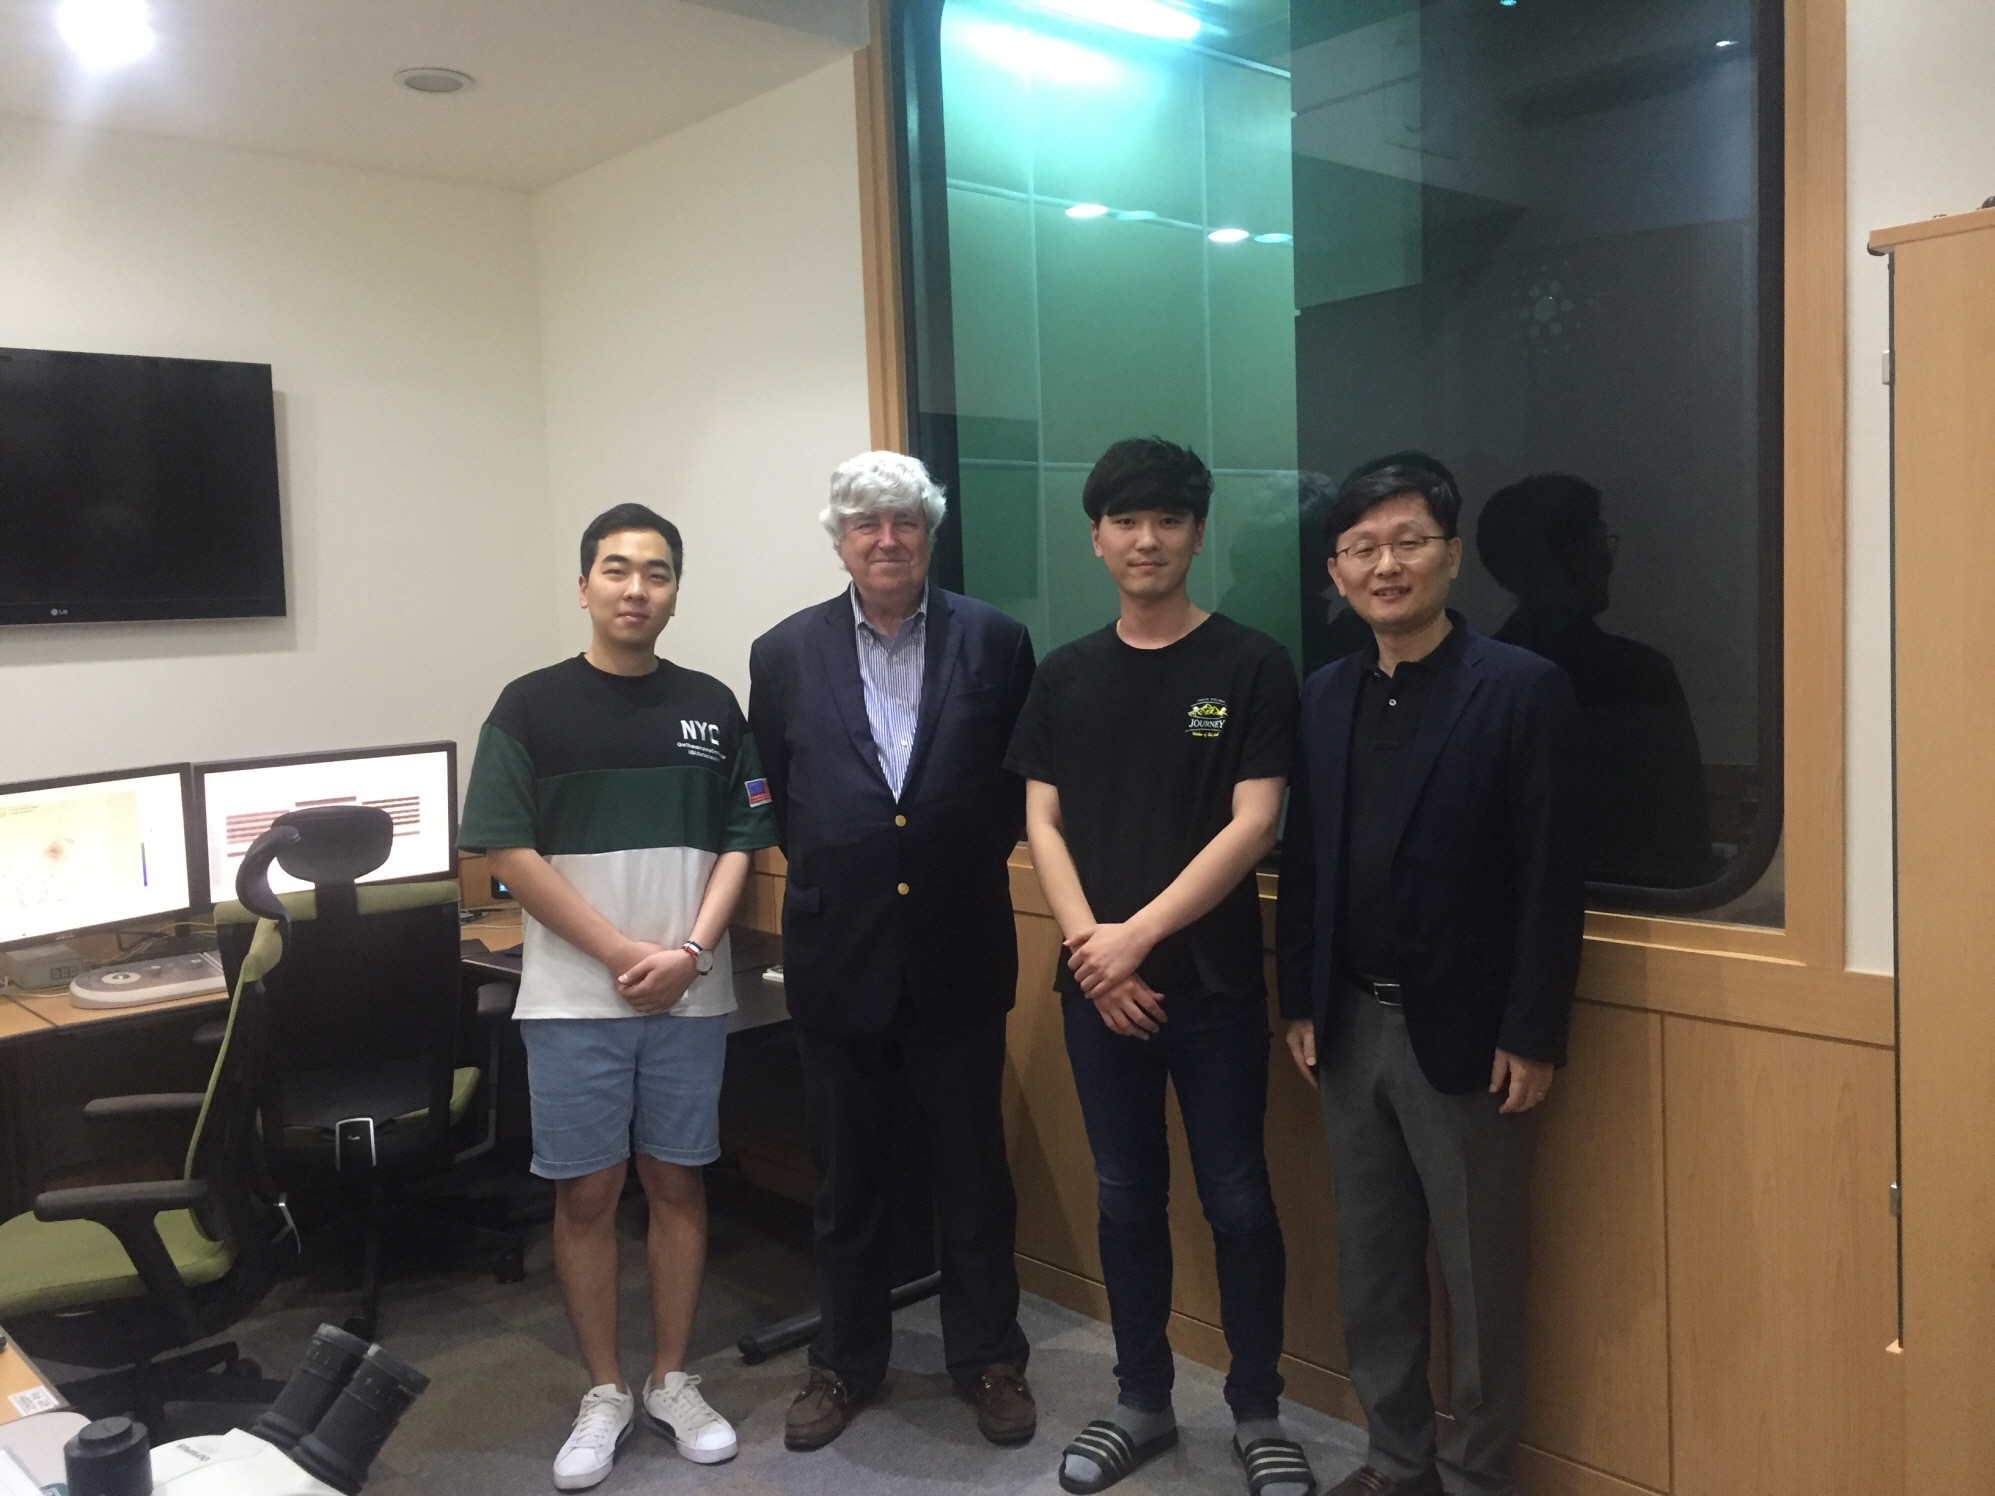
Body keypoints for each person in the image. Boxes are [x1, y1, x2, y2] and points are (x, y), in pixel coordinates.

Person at [1006, 438, 1313, 1496]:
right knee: (1125, 1194)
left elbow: (1255, 822)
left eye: (1168, 519)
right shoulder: (1064, 673)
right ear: (1096, 539)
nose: (1148, 539)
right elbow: (1040, 820)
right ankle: (1140, 1398)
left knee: (1238, 1198)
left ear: (1196, 532)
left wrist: (1133, 937)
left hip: (1213, 987)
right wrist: (1097, 953)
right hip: (1099, 994)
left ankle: (1259, 1408)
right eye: (1127, 521)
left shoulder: (1250, 665)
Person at [1275, 461, 1583, 1496]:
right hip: (1347, 1022)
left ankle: (1479, 1474)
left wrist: (1532, 1028)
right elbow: (1307, 863)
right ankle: (1396, 1460)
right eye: (1362, 549)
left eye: (1408, 541)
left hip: (1469, 1034)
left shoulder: (1521, 687)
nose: (1386, 565)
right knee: (1371, 1267)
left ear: (1450, 555)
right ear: (1335, 571)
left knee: (1479, 1277)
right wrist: (1299, 1001)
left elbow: (1550, 875)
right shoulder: (1325, 693)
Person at [459, 504, 776, 1491]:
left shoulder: (713, 707)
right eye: (616, 569)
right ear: (584, 586)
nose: (636, 588)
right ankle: (603, 1389)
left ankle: (672, 1378)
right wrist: (619, 951)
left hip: (689, 992)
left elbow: (743, 841)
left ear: (675, 591)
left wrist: (690, 950)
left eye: (657, 572)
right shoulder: (528, 706)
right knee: (588, 1193)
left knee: (678, 1182)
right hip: (572, 998)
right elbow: (506, 847)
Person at [747, 451, 1039, 1452]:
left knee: (973, 1176)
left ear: (929, 533)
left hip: (958, 951)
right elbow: (779, 792)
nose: (885, 539)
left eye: (904, 520)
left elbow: (1014, 788)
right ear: (839, 539)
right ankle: (844, 1363)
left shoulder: (995, 640)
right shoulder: (783, 652)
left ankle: (989, 1358)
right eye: (865, 522)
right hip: (840, 954)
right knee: (847, 1183)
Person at [1477, 471, 1717, 887]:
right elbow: (1683, 843)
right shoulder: (1639, 675)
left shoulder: (1476, 678)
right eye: (1600, 541)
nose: (1608, 559)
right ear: (1570, 554)